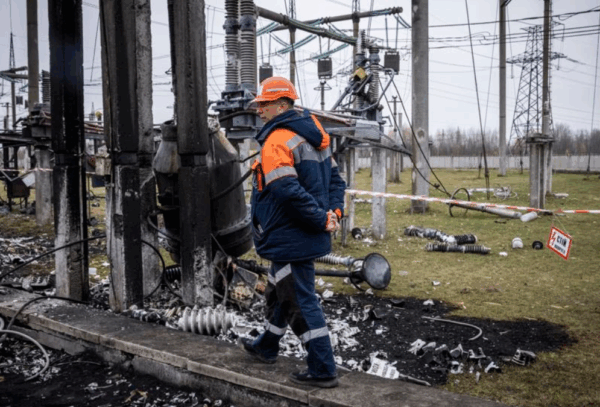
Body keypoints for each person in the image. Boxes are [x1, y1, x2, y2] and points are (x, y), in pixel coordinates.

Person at [240, 77, 346, 388]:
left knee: (299, 300)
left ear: (283, 105)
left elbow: (287, 191)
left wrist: (321, 218)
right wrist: (333, 214)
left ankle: (323, 368)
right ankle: (267, 346)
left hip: (290, 236)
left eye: (265, 104)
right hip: (300, 234)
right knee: (278, 291)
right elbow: (336, 182)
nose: (259, 110)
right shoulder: (314, 138)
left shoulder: (278, 140)